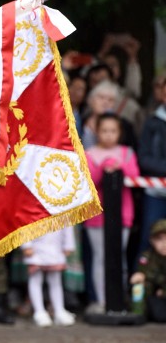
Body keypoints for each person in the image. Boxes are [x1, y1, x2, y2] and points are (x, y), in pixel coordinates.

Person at [84, 112, 139, 314]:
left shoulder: (127, 153)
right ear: (97, 132)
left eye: (113, 131)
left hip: (122, 215)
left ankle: (118, 302)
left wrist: (119, 167)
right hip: (96, 216)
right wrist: (105, 167)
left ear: (120, 133)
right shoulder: (89, 154)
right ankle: (101, 301)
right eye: (104, 130)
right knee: (100, 257)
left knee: (119, 258)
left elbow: (134, 176)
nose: (108, 135)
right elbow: (90, 181)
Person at [22, 227, 76, 327]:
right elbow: (26, 220)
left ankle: (59, 310)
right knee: (35, 280)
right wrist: (26, 244)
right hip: (35, 248)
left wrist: (68, 244)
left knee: (56, 281)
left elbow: (67, 220)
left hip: (56, 247)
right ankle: (39, 312)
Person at [137, 79, 166, 255]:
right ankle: (140, 282)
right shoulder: (152, 123)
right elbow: (144, 159)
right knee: (149, 240)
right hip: (155, 193)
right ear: (162, 95)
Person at [130, 219, 166, 322]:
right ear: (152, 240)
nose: (164, 243)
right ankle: (139, 313)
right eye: (159, 239)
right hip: (155, 297)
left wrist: (163, 292)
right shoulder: (147, 257)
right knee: (139, 285)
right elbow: (141, 274)